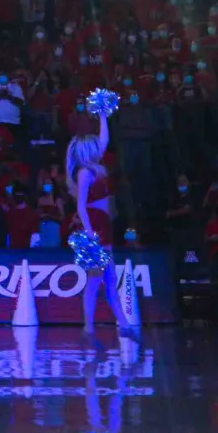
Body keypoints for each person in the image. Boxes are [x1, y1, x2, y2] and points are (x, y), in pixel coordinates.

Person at [67, 111, 138, 339]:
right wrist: (90, 235)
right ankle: (89, 327)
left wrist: (104, 117)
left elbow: (104, 140)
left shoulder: (95, 168)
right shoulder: (85, 173)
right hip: (95, 228)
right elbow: (80, 207)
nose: (100, 147)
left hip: (103, 226)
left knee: (109, 278)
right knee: (95, 279)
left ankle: (125, 326)